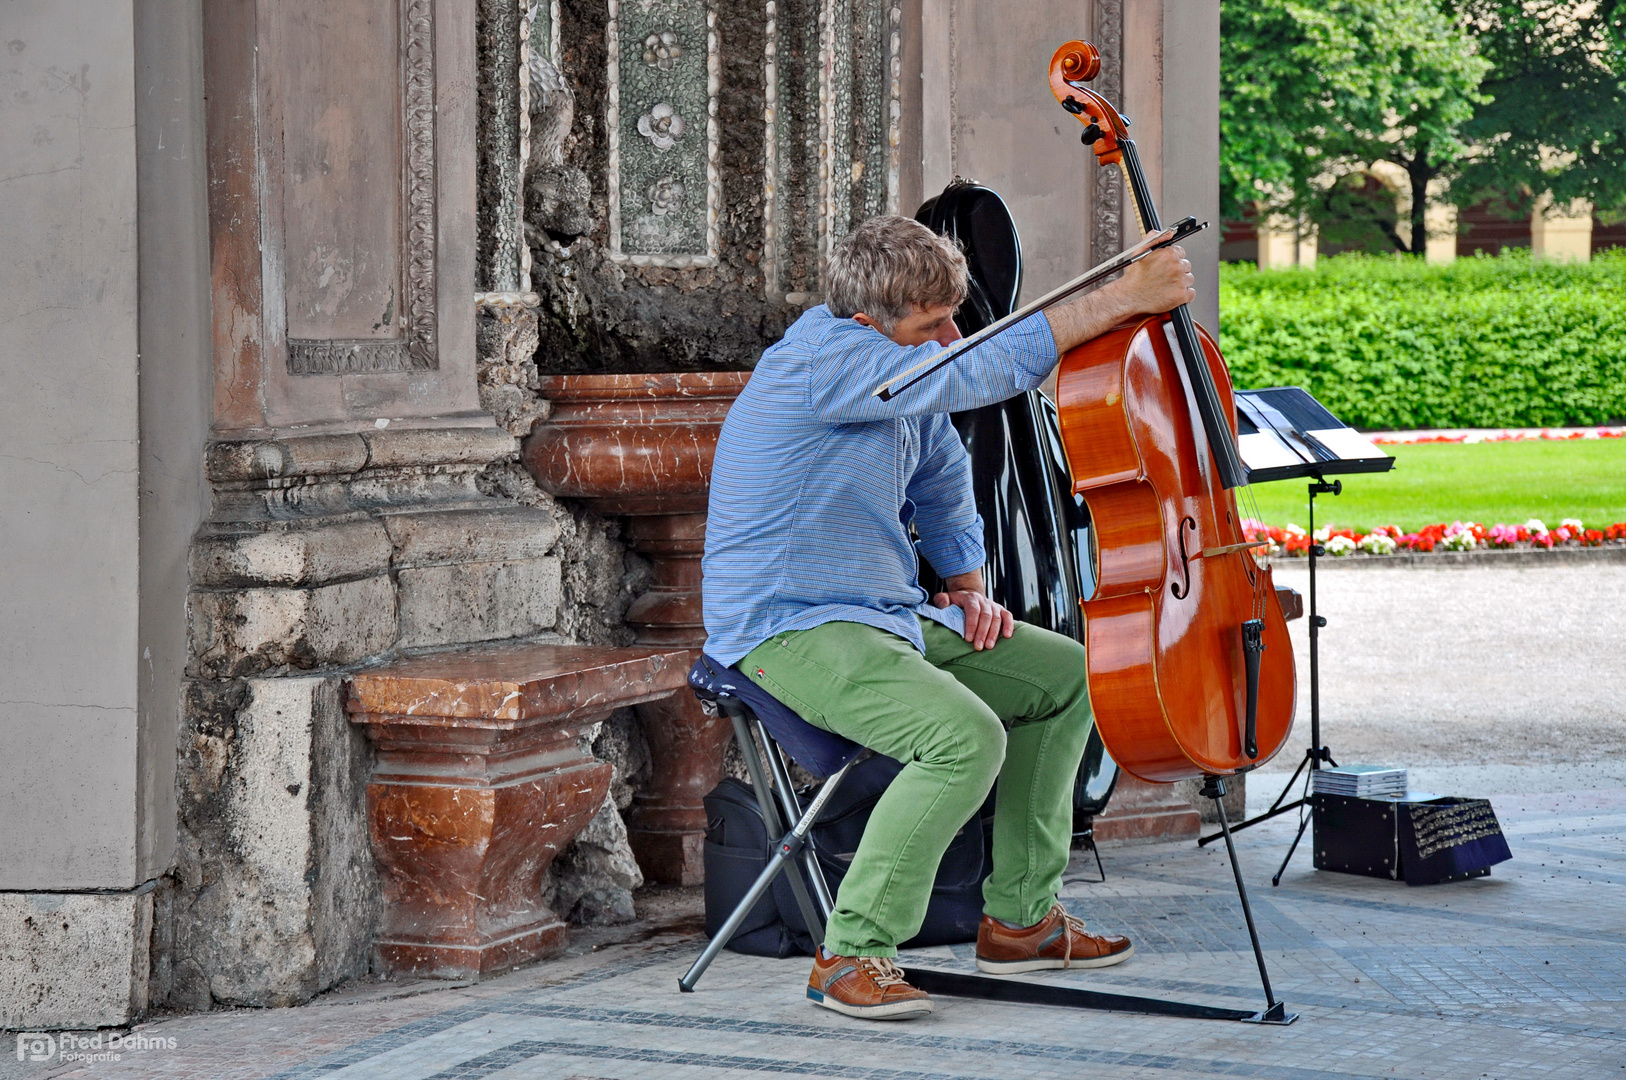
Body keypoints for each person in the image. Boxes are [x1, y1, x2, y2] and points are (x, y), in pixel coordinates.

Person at [702, 215, 1195, 1020]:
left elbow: (941, 480)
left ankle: (1020, 921)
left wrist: (968, 589)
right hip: (785, 625)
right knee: (962, 738)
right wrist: (1118, 300)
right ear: (873, 321)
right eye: (933, 325)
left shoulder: (902, 369)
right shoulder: (827, 360)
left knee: (1067, 677)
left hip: (880, 610)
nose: (952, 336)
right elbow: (983, 370)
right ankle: (850, 952)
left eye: (952, 319)